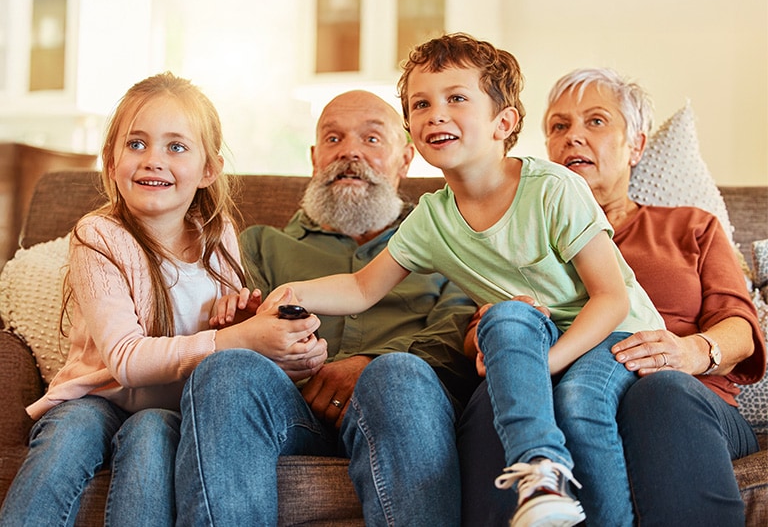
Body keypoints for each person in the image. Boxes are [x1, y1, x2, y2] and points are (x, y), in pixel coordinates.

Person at [256, 34, 665, 527]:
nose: (435, 114)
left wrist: (544, 365)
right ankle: (539, 477)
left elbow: (612, 299)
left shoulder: (554, 188)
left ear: (504, 122)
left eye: (456, 98)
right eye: (421, 104)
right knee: (505, 319)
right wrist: (293, 293)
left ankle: (548, 476)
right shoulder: (432, 218)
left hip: (617, 334)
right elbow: (364, 288)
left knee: (577, 403)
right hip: (529, 335)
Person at [0, 73, 326, 527]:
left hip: (172, 408)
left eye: (176, 147)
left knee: (152, 434)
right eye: (136, 144)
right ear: (111, 161)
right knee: (68, 434)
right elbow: (126, 361)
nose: (153, 160)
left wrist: (250, 326)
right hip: (100, 395)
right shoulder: (98, 237)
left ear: (208, 169)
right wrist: (241, 338)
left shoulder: (219, 236)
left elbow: (224, 338)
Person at [458, 67, 766, 526]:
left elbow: (741, 327)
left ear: (636, 146)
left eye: (596, 122)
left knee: (660, 394)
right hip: (553, 399)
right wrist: (490, 337)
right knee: (493, 402)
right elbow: (473, 338)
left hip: (683, 395)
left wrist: (691, 351)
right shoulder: (516, 231)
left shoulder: (690, 226)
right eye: (559, 126)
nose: (573, 138)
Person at [174, 89, 478, 527]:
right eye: (334, 139)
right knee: (224, 371)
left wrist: (370, 364)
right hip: (295, 412)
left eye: (372, 140)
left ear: (405, 159)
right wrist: (247, 331)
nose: (349, 151)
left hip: (404, 403)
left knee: (396, 375)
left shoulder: (446, 237)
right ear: (315, 158)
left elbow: (457, 330)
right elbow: (244, 333)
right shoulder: (258, 244)